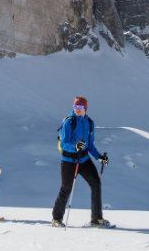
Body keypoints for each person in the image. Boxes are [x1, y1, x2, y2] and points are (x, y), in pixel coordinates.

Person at [52, 96, 110, 227]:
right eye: (75, 107)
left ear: (85, 108)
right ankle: (56, 219)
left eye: (80, 107)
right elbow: (64, 143)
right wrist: (75, 147)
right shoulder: (69, 122)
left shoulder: (89, 123)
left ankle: (96, 219)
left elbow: (90, 145)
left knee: (96, 183)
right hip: (68, 161)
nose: (77, 109)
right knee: (66, 188)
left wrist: (99, 157)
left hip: (84, 159)